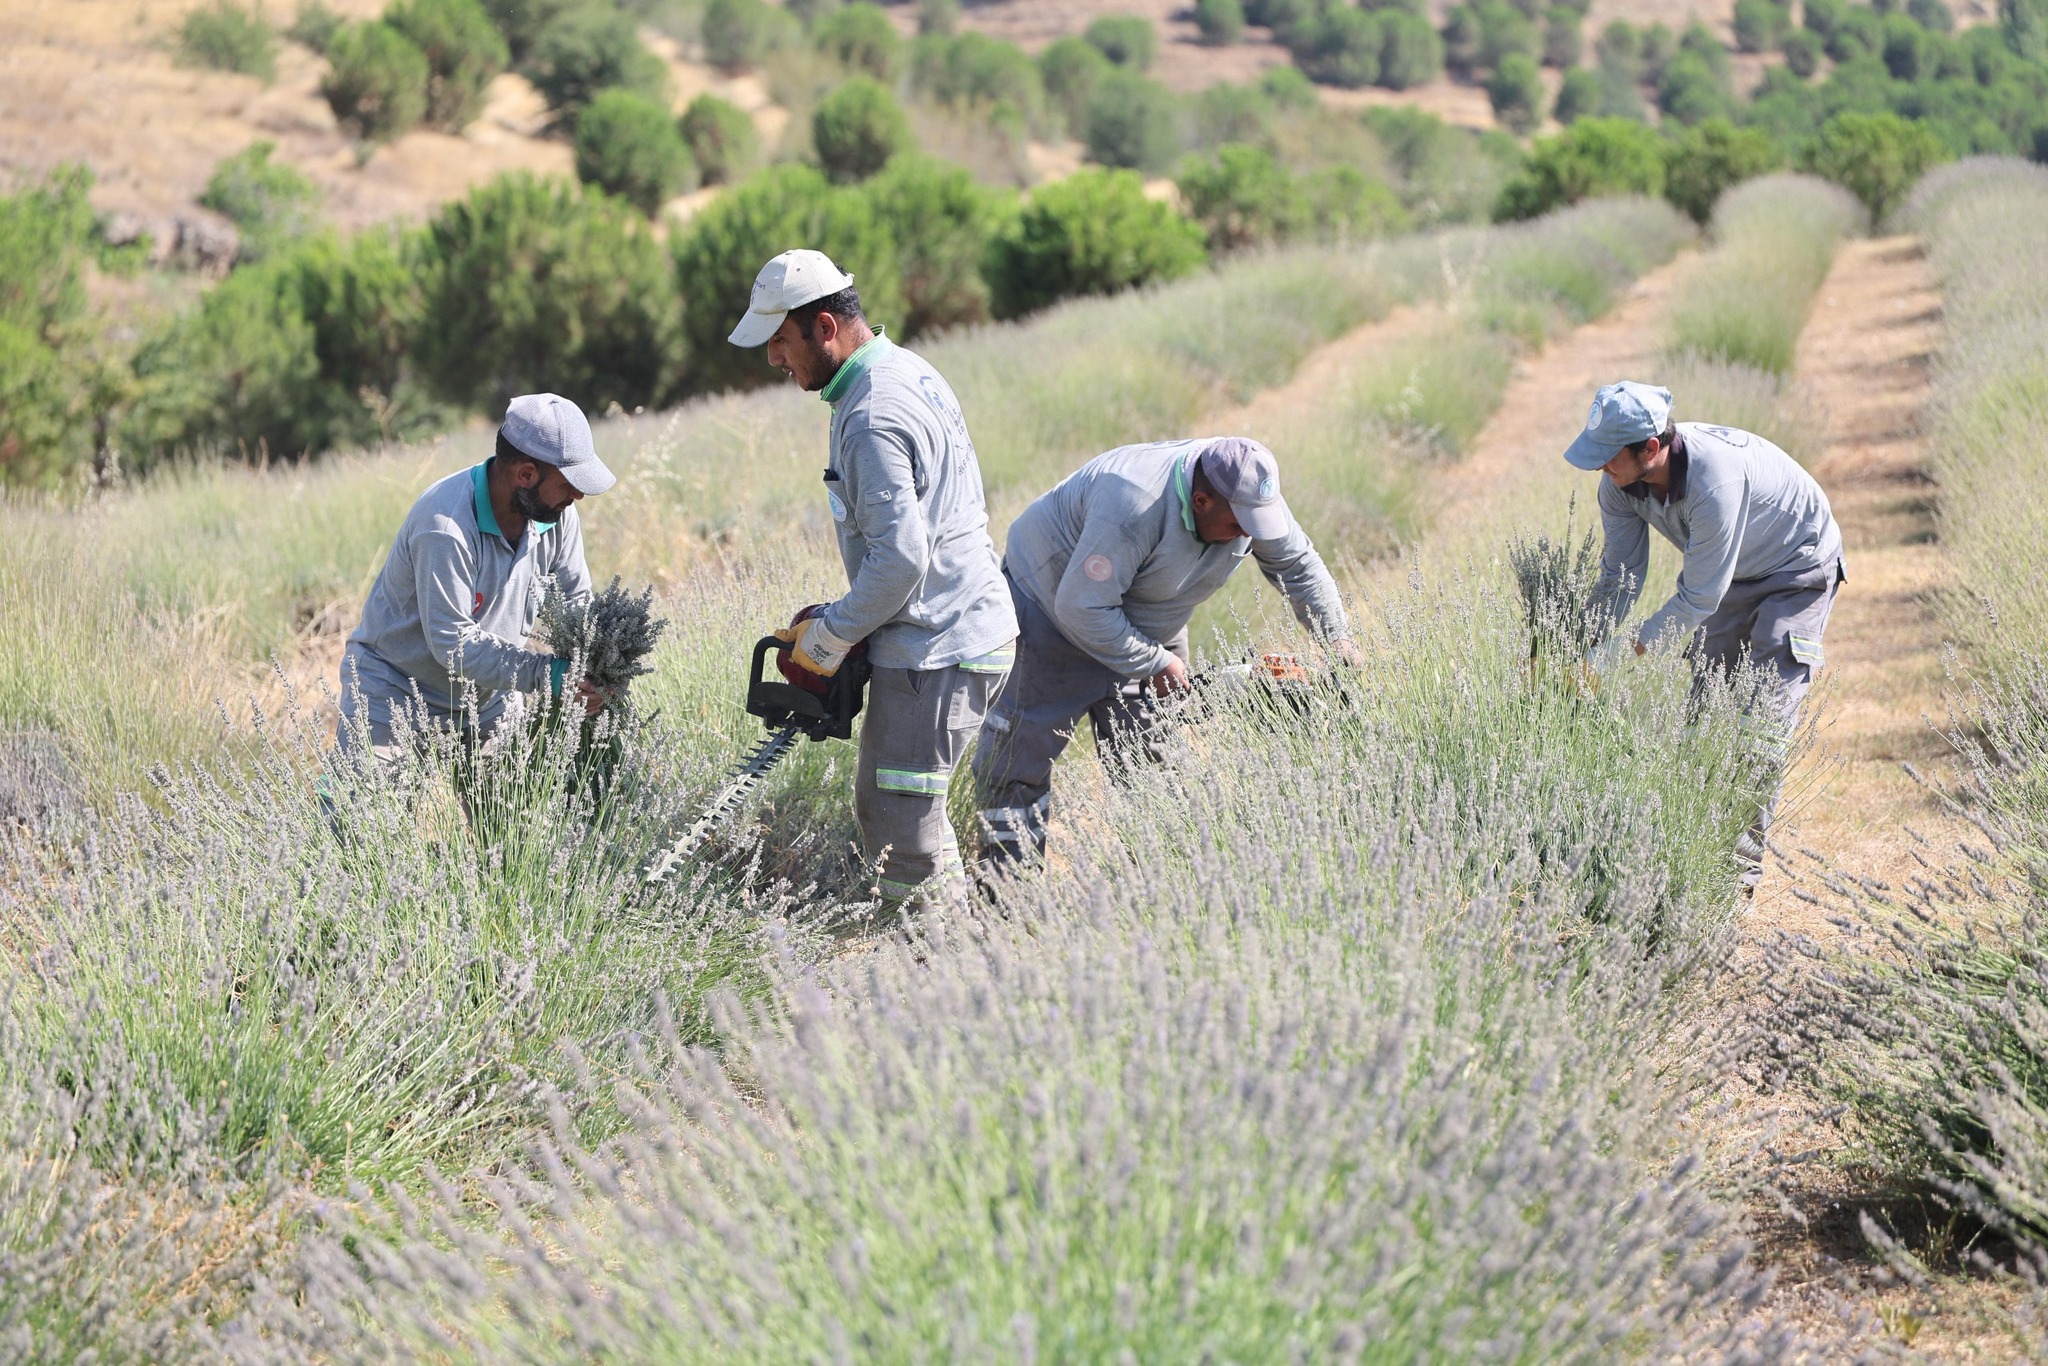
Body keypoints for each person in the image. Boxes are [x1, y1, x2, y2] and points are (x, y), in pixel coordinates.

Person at [729, 249, 1017, 908]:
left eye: (780, 341)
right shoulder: (901, 372)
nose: (774, 359)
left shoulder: (869, 414)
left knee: (898, 830)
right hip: (964, 622)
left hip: (936, 647)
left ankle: (937, 978)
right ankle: (954, 956)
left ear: (824, 327)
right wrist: (844, 612)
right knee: (913, 814)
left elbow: (903, 560)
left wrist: (829, 639)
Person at [971, 436, 1359, 867]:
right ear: (1201, 502)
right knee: (1016, 767)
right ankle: (1006, 904)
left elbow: (1298, 566)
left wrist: (1337, 639)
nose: (1249, 535)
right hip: (1051, 611)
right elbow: (1081, 607)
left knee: (1154, 764)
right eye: (1238, 526)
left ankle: (1159, 887)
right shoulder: (1133, 502)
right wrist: (1156, 663)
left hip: (1147, 619)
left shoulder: (1249, 497)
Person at [1565, 379, 1845, 890]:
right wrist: (1578, 647)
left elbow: (1698, 598)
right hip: (1730, 572)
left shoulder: (1713, 482)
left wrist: (1622, 653)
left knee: (1758, 723)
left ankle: (1736, 881)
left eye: (1608, 456)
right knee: (1703, 714)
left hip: (1797, 567)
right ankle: (1695, 858)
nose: (1601, 467)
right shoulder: (1619, 487)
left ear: (1651, 448)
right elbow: (1617, 578)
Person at [335, 392, 613, 786]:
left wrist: (595, 670)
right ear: (527, 475)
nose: (578, 496)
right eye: (570, 483)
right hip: (395, 694)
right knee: (362, 832)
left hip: (489, 699)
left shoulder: (556, 515)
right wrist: (548, 675)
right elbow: (454, 645)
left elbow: (577, 601)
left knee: (514, 829)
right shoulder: (445, 526)